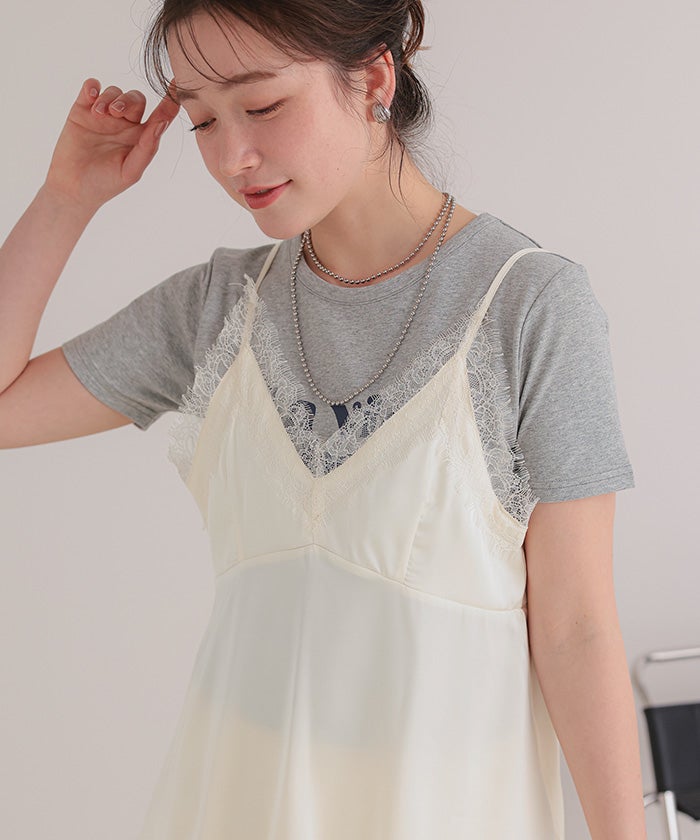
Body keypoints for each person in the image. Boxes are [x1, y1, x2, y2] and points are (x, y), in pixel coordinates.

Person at [0, 0, 646, 837]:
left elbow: (576, 629)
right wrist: (66, 198)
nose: (232, 156)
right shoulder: (219, 309)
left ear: (374, 77)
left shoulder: (530, 305)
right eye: (202, 120)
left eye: (262, 104)